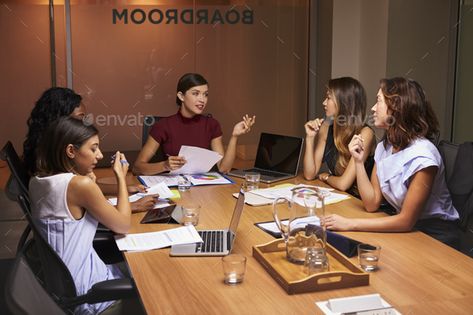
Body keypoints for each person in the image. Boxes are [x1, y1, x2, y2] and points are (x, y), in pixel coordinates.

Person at [325, 77, 460, 248]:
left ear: (396, 108)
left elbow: (406, 221)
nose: (373, 109)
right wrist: (358, 162)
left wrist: (350, 223)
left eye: (378, 101)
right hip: (405, 227)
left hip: (436, 234)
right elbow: (372, 203)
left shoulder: (424, 156)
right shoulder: (385, 147)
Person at [29, 117, 131, 314]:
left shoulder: (37, 181)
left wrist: (86, 179)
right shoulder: (79, 186)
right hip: (91, 296)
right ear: (71, 151)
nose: (100, 155)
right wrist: (121, 178)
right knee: (151, 280)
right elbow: (123, 225)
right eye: (93, 148)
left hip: (63, 289)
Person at [23, 87, 156, 212]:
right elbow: (88, 208)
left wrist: (125, 189)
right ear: (62, 120)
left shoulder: (53, 150)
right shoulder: (56, 160)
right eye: (80, 118)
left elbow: (88, 190)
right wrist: (132, 205)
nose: (85, 123)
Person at [133, 73, 256, 175]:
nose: (202, 99)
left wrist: (235, 136)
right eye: (195, 93)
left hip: (203, 191)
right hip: (175, 189)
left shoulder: (212, 125)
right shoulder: (163, 126)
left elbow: (224, 169)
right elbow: (137, 168)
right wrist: (164, 165)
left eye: (205, 94)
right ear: (181, 96)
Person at [303, 77, 375, 196]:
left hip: (360, 202)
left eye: (329, 98)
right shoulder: (326, 128)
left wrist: (327, 177)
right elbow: (309, 174)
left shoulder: (365, 133)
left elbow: (343, 184)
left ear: (344, 102)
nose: (324, 103)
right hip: (340, 197)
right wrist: (310, 138)